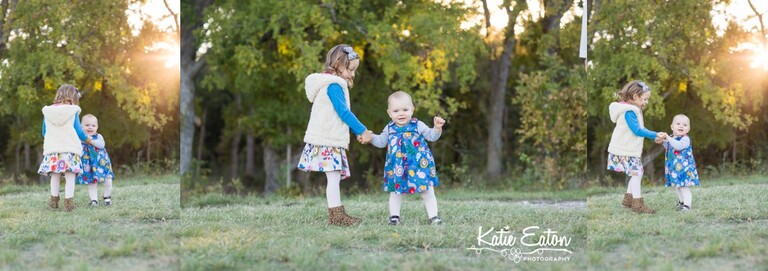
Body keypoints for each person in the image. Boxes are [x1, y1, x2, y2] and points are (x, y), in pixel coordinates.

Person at [297, 44, 373, 226]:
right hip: (328, 140)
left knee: (334, 176)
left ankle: (337, 213)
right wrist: (362, 130)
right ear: (338, 64)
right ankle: (336, 216)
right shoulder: (334, 85)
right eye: (350, 69)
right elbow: (344, 113)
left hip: (328, 137)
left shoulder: (330, 83)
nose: (352, 74)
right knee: (333, 177)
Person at [369, 91, 445, 225]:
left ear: (412, 110)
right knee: (396, 192)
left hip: (419, 165)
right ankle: (394, 217)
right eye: (396, 110)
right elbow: (381, 142)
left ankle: (434, 217)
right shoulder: (390, 128)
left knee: (427, 190)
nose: (401, 113)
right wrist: (371, 137)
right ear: (389, 113)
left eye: (405, 109)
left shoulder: (417, 125)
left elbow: (431, 136)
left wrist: (437, 128)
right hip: (398, 167)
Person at [606, 80, 666, 214]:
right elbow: (637, 130)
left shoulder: (632, 109)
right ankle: (637, 204)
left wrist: (654, 137)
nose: (646, 102)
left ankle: (628, 201)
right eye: (644, 99)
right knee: (637, 174)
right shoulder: (629, 111)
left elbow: (640, 129)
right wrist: (655, 133)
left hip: (626, 148)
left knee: (636, 173)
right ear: (635, 97)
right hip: (625, 150)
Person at [38, 84, 91, 212]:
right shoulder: (72, 111)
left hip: (53, 149)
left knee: (55, 176)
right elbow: (79, 131)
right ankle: (68, 204)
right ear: (73, 97)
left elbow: (44, 132)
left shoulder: (48, 111)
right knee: (70, 176)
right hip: (69, 149)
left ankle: (54, 201)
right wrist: (88, 139)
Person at [658, 114, 699, 211]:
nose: (681, 126)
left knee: (684, 187)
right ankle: (682, 202)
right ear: (672, 127)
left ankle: (687, 206)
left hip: (684, 169)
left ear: (688, 129)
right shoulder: (672, 138)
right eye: (678, 124)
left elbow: (678, 146)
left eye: (685, 125)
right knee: (677, 186)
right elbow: (669, 146)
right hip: (674, 168)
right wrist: (661, 141)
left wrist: (667, 137)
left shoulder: (685, 139)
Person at [77, 114, 115, 206]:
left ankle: (107, 196)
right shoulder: (80, 138)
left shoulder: (98, 137)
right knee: (91, 182)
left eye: (93, 125)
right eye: (87, 125)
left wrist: (91, 141)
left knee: (107, 181)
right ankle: (94, 200)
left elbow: (101, 145)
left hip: (101, 163)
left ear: (97, 127)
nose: (90, 127)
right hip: (88, 165)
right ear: (81, 127)